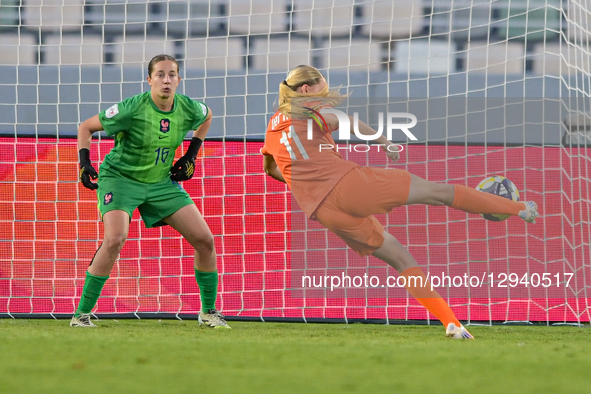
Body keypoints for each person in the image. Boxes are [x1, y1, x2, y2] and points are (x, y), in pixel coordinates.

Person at [261, 65, 539, 339]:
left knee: (400, 258)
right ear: (306, 89)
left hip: (325, 211)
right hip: (350, 186)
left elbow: (271, 169)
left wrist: (307, 179)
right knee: (439, 193)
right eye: (322, 85)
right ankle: (520, 208)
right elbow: (348, 122)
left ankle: (452, 324)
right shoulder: (313, 109)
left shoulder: (274, 126)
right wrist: (383, 141)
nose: (325, 91)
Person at [71, 54, 230, 329]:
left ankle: (208, 312)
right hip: (120, 179)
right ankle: (81, 314)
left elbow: (208, 116)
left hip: (160, 183)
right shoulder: (132, 108)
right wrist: (85, 163)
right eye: (160, 74)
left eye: (171, 74)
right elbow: (86, 126)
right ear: (149, 80)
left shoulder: (188, 107)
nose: (166, 80)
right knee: (115, 238)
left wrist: (191, 155)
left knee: (205, 240)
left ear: (178, 80)